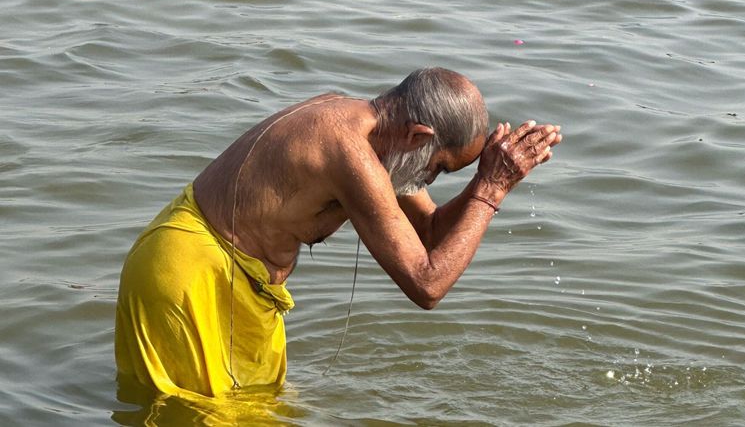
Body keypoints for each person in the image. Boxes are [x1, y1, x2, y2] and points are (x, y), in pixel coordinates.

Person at [115, 67, 563, 398]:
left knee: (257, 408)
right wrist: (491, 189)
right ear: (417, 135)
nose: (429, 181)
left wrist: (489, 177)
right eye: (439, 168)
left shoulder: (376, 136)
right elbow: (428, 285)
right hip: (191, 276)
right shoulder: (348, 152)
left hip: (236, 285)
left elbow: (429, 231)